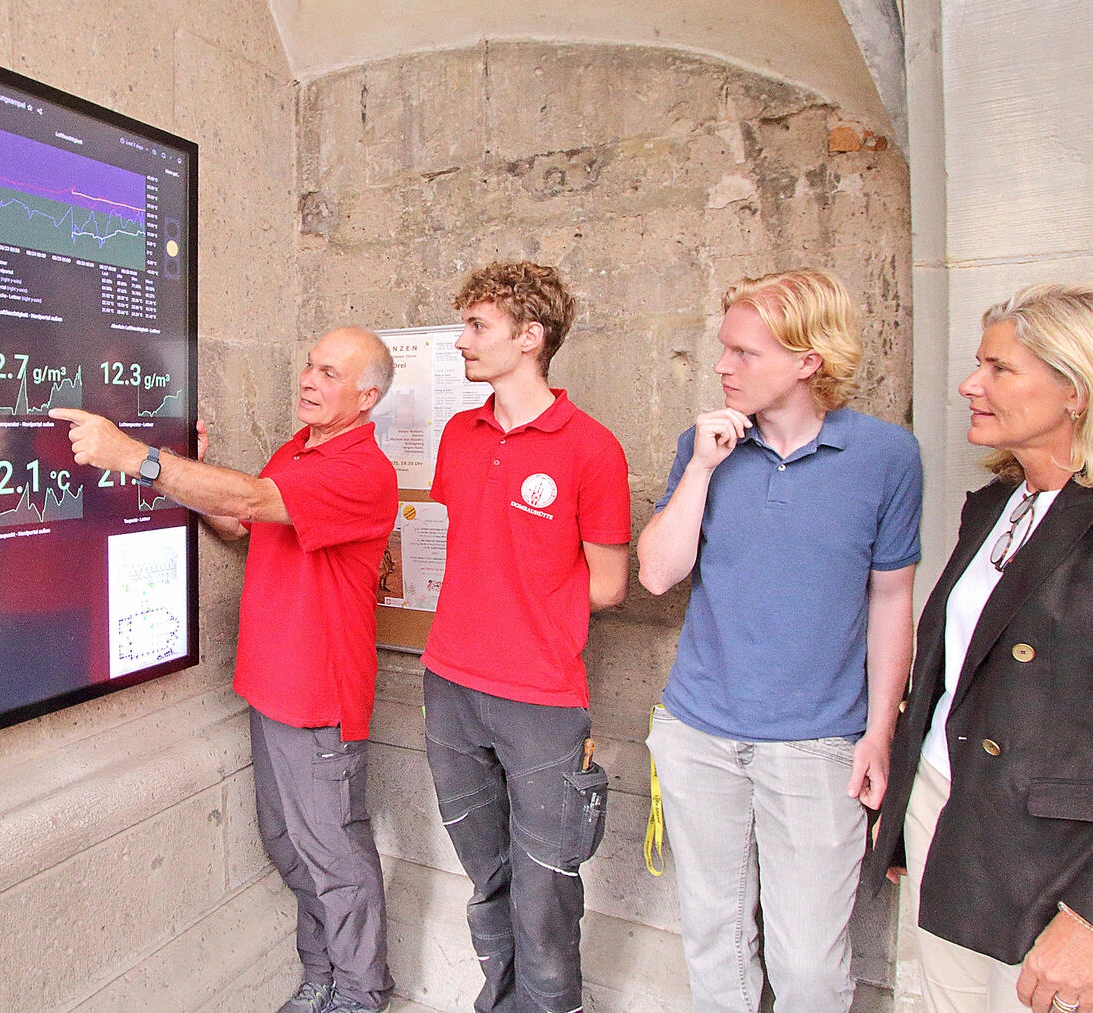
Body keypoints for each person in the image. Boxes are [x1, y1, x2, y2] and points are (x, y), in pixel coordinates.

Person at [51, 325, 399, 1013]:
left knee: (333, 852)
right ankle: (324, 973)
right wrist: (189, 477)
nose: (308, 379)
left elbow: (249, 500)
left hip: (317, 695)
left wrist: (137, 458)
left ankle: (362, 991)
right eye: (308, 364)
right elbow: (240, 523)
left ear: (366, 396)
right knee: (287, 844)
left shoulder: (363, 471)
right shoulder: (300, 449)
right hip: (269, 684)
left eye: (329, 373)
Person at [636, 269, 922, 1012]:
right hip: (699, 732)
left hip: (817, 742)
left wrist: (881, 731)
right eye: (723, 349)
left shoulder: (887, 457)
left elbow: (893, 599)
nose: (723, 366)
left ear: (808, 360)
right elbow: (659, 573)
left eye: (744, 352)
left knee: (809, 969)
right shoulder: (704, 447)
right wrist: (701, 466)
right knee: (715, 943)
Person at [865, 284, 1093, 1013]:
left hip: (1053, 858)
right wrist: (908, 798)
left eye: (999, 369)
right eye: (976, 364)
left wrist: (1089, 916)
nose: (971, 384)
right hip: (950, 809)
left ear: (1074, 392)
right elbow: (951, 674)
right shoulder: (995, 505)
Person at [420, 261, 632, 1013]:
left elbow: (609, 584)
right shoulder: (459, 432)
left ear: (530, 337)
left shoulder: (592, 448)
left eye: (478, 326)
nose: (461, 341)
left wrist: (530, 618)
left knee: (545, 901)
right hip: (449, 684)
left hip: (539, 699)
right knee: (489, 884)